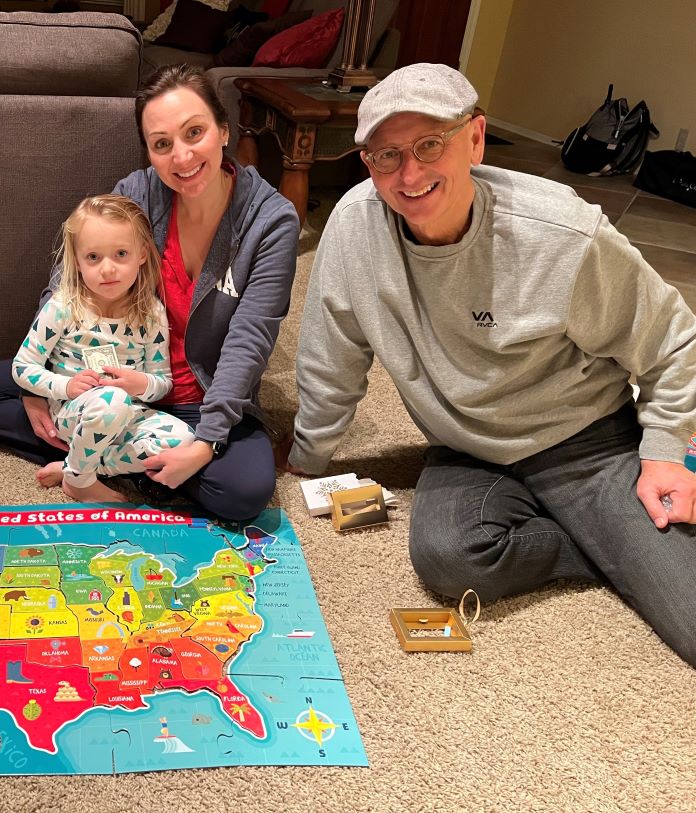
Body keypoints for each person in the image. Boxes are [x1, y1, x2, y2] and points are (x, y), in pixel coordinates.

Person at [288, 63, 696, 666]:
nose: (410, 172)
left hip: (585, 439)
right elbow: (332, 356)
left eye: (431, 144)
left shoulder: (564, 232)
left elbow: (674, 340)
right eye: (386, 155)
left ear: (475, 139)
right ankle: (611, 544)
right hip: (465, 448)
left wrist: (664, 449)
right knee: (449, 559)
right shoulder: (354, 227)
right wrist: (305, 457)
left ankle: (621, 536)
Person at [0, 64, 300, 521]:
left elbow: (250, 339)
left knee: (242, 494)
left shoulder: (270, 221)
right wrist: (36, 387)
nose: (181, 157)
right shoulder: (137, 194)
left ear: (223, 131)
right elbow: (67, 285)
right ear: (150, 153)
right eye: (162, 144)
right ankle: (107, 463)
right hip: (98, 379)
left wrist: (206, 442)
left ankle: (91, 462)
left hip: (199, 398)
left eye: (194, 132)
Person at [13, 194, 195, 503]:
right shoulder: (63, 307)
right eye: (94, 258)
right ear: (78, 260)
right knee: (113, 401)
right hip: (74, 413)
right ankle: (82, 481)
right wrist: (65, 386)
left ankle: (75, 470)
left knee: (184, 441)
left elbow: (162, 382)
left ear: (141, 254)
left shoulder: (151, 313)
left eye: (120, 254)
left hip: (130, 414)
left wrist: (143, 384)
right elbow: (21, 367)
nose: (107, 269)